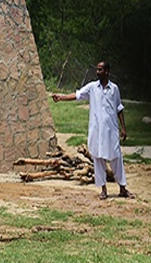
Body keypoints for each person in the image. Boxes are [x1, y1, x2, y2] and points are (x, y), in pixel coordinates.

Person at [52, 61, 131, 200]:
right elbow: (77, 95)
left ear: (106, 71)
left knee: (116, 158)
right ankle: (103, 190)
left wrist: (123, 128)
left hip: (111, 130)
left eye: (100, 70)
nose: (97, 72)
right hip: (96, 131)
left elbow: (119, 108)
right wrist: (61, 97)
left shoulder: (114, 89)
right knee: (98, 159)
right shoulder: (92, 88)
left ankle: (123, 188)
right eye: (97, 69)